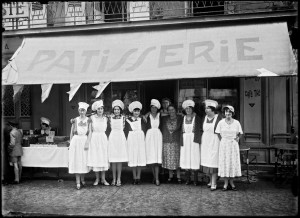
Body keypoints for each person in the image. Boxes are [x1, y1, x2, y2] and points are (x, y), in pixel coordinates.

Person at [215, 105, 243, 191]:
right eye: (226, 112)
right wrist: (222, 141)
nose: (228, 113)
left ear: (232, 113)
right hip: (224, 145)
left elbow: (240, 133)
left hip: (233, 145)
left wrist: (237, 138)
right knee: (225, 163)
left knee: (232, 163)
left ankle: (232, 182)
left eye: (230, 112)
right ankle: (225, 183)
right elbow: (217, 133)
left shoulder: (237, 122)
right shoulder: (221, 122)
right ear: (224, 113)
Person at [200, 99, 222, 191]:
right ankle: (210, 180)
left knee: (213, 161)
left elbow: (222, 130)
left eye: (208, 108)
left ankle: (214, 182)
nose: (206, 110)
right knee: (206, 161)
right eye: (205, 108)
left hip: (215, 141)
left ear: (213, 109)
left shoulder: (219, 118)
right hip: (205, 141)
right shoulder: (204, 118)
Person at [87, 100, 110, 186]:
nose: (100, 110)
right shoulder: (92, 118)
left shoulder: (106, 118)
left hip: (103, 138)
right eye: (98, 109)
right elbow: (84, 120)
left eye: (101, 108)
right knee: (96, 157)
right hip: (95, 138)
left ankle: (103, 179)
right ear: (96, 110)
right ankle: (97, 179)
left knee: (103, 157)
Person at [68, 102, 91, 190]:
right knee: (77, 160)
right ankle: (78, 181)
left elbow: (90, 132)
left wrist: (87, 143)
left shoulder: (88, 120)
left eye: (83, 110)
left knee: (83, 160)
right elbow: (71, 132)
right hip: (76, 141)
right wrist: (70, 143)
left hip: (84, 140)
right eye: (80, 110)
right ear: (78, 111)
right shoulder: (75, 120)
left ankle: (83, 179)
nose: (82, 112)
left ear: (86, 111)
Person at [180, 100, 202, 186]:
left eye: (190, 108)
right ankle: (188, 179)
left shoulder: (197, 118)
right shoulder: (183, 118)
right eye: (186, 108)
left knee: (194, 157)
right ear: (184, 110)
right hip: (185, 140)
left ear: (192, 109)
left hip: (194, 140)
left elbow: (200, 129)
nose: (188, 110)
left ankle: (195, 179)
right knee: (186, 158)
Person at [124, 101, 147, 185]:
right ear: (132, 111)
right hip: (132, 141)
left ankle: (139, 177)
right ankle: (134, 177)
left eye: (138, 111)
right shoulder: (127, 120)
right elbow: (126, 132)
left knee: (139, 157)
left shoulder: (142, 120)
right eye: (135, 111)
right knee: (133, 158)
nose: (136, 112)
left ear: (140, 112)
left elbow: (144, 130)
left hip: (140, 141)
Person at [161, 104, 183, 184]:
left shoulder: (180, 118)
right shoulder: (164, 118)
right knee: (169, 159)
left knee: (177, 159)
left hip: (176, 141)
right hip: (167, 141)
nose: (171, 111)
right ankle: (170, 176)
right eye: (169, 110)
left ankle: (178, 176)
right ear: (167, 111)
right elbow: (155, 114)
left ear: (175, 110)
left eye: (172, 109)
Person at [108, 99, 128, 187]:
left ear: (120, 110)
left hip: (120, 138)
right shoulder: (109, 117)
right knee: (113, 160)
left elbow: (137, 116)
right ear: (113, 110)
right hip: (112, 138)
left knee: (119, 160)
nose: (116, 111)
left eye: (118, 109)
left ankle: (119, 178)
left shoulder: (124, 117)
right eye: (115, 109)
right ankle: (114, 178)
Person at [145, 99, 163, 186]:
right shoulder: (147, 116)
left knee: (157, 159)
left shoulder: (161, 115)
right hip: (149, 137)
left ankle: (157, 178)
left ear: (157, 108)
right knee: (152, 158)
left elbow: (170, 115)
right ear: (150, 108)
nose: (154, 109)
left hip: (158, 137)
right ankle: (154, 177)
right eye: (152, 107)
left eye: (155, 108)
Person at [7, 120, 23, 184]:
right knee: (20, 164)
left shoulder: (12, 132)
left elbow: (12, 143)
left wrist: (9, 149)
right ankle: (20, 177)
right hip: (19, 149)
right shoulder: (20, 131)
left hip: (14, 150)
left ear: (11, 126)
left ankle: (16, 180)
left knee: (15, 165)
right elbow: (21, 141)